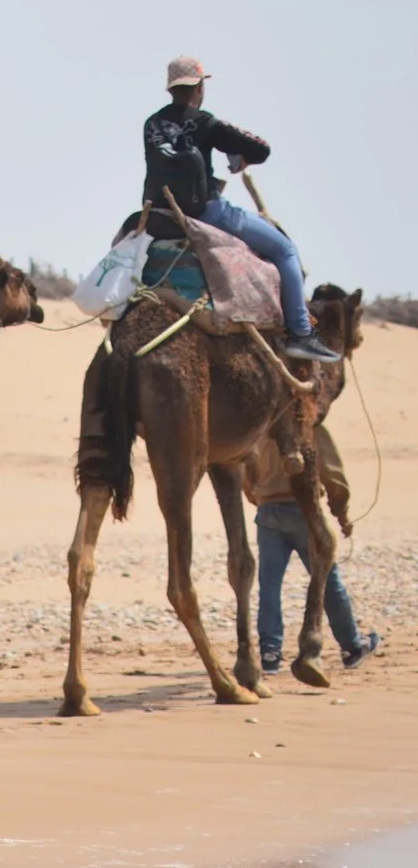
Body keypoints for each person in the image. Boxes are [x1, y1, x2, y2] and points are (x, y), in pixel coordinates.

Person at [144, 56, 338, 363]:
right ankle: (301, 334)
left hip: (158, 215)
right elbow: (261, 149)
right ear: (199, 87)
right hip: (206, 212)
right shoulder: (205, 122)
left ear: (171, 89)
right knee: (286, 250)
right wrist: (237, 151)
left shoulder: (151, 124)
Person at [241, 431, 384, 674]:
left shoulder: (262, 424)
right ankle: (351, 646)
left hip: (268, 512)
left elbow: (248, 471)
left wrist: (261, 498)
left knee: (269, 585)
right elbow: (332, 472)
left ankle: (270, 653)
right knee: (327, 579)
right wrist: (341, 513)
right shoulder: (310, 425)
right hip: (305, 511)